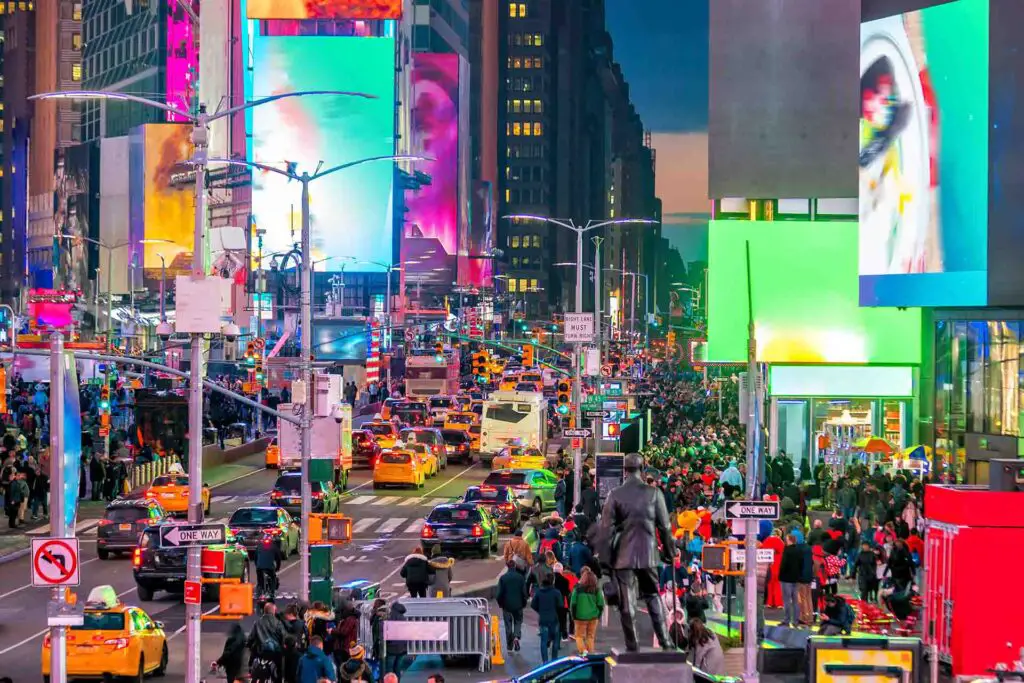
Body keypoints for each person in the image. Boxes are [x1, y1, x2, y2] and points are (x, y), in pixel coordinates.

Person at [594, 452, 677, 651]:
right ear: (643, 468)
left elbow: (605, 530)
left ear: (624, 470)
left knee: (627, 601)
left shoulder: (615, 494)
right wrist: (669, 551)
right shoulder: (654, 493)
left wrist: (605, 562)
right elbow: (665, 527)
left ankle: (633, 646)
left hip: (624, 554)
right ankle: (666, 642)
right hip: (648, 553)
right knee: (653, 595)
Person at [248, 602, 287, 683]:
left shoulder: (257, 623)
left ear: (264, 611)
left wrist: (249, 645)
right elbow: (284, 637)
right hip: (275, 654)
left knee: (255, 672)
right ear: (274, 611)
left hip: (261, 653)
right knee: (279, 673)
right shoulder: (278, 623)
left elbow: (251, 638)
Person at [569, 566, 604, 655]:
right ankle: (590, 653)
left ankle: (583, 652)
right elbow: (600, 604)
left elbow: (573, 603)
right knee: (590, 637)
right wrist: (598, 615)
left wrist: (573, 616)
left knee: (579, 636)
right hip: (593, 617)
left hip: (580, 617)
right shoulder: (597, 590)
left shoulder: (577, 589)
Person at [496, 560, 528, 652]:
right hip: (518, 605)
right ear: (515, 566)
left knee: (508, 625)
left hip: (506, 605)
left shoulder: (503, 578)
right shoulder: (520, 577)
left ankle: (509, 646)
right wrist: (524, 602)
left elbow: (498, 594)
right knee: (518, 621)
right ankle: (516, 637)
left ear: (507, 567)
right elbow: (524, 593)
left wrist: (500, 603)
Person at [531, 573, 563, 663]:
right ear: (553, 581)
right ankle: (554, 661)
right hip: (554, 619)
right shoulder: (556, 592)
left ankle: (545, 662)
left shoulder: (539, 592)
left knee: (543, 641)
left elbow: (533, 605)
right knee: (555, 641)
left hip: (543, 620)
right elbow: (560, 605)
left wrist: (540, 610)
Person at [778, 533, 802, 628]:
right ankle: (795, 621)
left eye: (786, 539)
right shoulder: (799, 550)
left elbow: (784, 564)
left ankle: (786, 620)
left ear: (789, 540)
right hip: (795, 578)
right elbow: (801, 564)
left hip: (786, 578)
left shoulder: (787, 550)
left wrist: (780, 575)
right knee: (796, 601)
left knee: (787, 600)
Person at [384, 601, 410, 678]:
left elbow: (387, 632)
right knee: (397, 668)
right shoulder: (403, 618)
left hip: (392, 647)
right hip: (402, 648)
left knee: (389, 668)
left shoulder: (390, 617)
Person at [256, 535, 281, 600]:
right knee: (273, 578)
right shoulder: (274, 547)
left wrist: (257, 565)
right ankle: (272, 592)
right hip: (270, 567)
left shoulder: (259, 546)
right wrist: (277, 567)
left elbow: (255, 557)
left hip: (259, 568)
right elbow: (278, 559)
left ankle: (259, 591)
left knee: (259, 581)